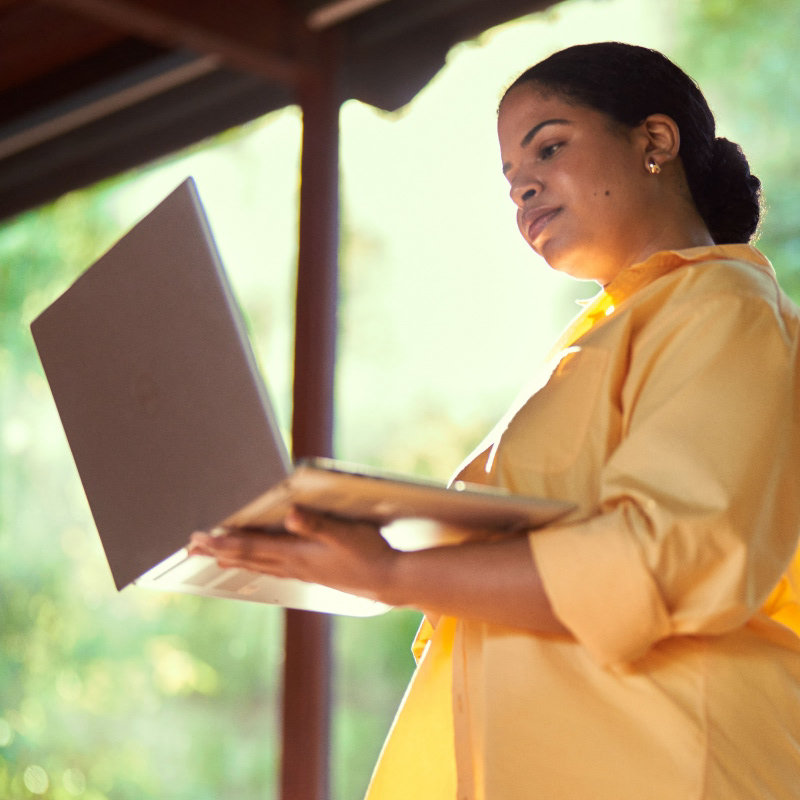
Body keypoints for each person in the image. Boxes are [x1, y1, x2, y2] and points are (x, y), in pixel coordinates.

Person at [189, 42, 800, 799]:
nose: (526, 191)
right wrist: (346, 545)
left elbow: (666, 556)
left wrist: (394, 571)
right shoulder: (594, 343)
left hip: (672, 758)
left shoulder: (726, 308)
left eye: (549, 147)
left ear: (655, 141)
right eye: (512, 184)